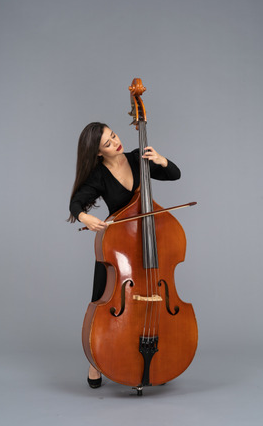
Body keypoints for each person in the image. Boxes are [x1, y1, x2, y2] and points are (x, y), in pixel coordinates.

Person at [68, 122, 181, 388]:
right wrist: (85, 216)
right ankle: (95, 361)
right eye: (107, 144)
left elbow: (174, 175)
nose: (115, 143)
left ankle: (157, 361)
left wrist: (162, 160)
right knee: (101, 300)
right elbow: (75, 203)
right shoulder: (99, 175)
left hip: (148, 240)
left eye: (114, 136)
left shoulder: (136, 157)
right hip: (118, 247)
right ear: (97, 153)